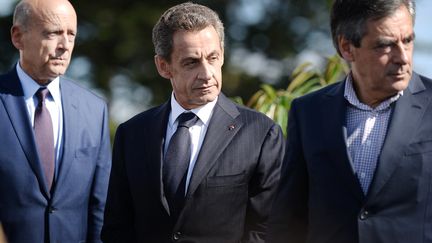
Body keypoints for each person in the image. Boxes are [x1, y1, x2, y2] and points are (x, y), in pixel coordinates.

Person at [101, 2, 284, 243]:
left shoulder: (261, 134)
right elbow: (117, 226)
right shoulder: (132, 134)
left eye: (213, 58)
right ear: (163, 66)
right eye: (191, 62)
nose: (207, 73)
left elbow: (266, 229)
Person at [266, 0, 432, 242]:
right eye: (385, 46)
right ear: (346, 47)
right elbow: (288, 216)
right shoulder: (308, 112)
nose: (403, 57)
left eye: (407, 40)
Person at [0, 0, 111, 242]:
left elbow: (99, 206)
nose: (64, 45)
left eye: (71, 34)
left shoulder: (94, 109)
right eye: (52, 33)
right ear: (18, 37)